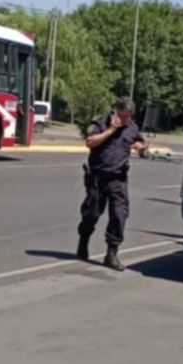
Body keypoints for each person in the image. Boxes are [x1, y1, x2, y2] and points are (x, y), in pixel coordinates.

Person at [76, 97, 147, 270]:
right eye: (122, 116)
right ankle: (84, 238)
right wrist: (110, 130)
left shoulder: (132, 128)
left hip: (118, 179)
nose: (124, 120)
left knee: (119, 214)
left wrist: (142, 146)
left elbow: (143, 142)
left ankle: (111, 254)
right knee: (92, 213)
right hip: (98, 177)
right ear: (116, 110)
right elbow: (90, 142)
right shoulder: (100, 121)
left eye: (128, 117)